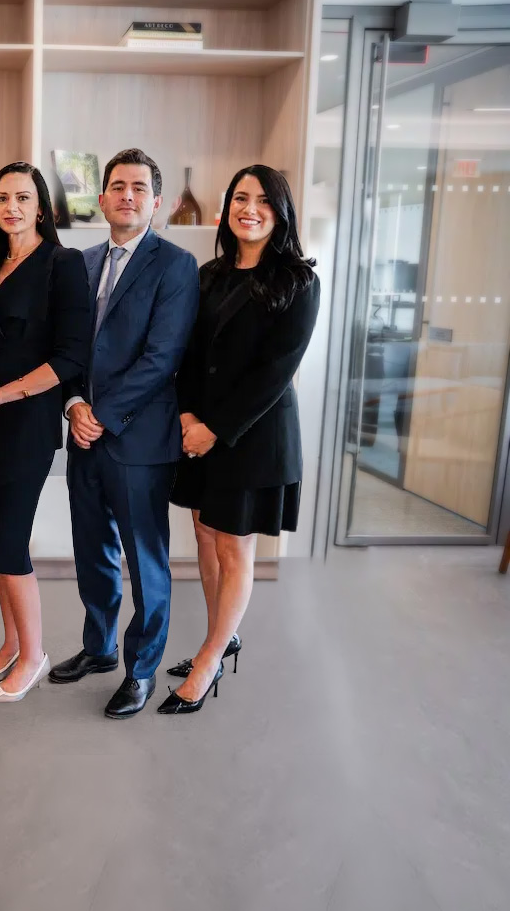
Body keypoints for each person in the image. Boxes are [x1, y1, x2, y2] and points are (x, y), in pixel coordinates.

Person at [161, 164, 320, 714]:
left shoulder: (298, 280)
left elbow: (275, 373)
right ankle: (220, 638)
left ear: (280, 213)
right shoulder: (209, 274)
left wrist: (214, 430)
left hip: (252, 438)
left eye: (262, 201)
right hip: (198, 430)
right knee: (205, 533)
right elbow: (186, 354)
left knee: (233, 545)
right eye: (239, 198)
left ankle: (208, 661)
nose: (248, 209)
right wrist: (185, 416)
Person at [51, 148, 200, 719]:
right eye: (117, 186)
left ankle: (141, 670)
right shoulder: (82, 263)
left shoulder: (174, 265)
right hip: (84, 432)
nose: (127, 195)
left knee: (146, 563)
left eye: (139, 187)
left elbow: (162, 358)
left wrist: (102, 415)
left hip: (136, 439)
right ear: (103, 197)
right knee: (93, 552)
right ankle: (100, 648)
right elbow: (65, 350)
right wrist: (73, 404)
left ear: (155, 201)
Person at [0, 162, 89, 703]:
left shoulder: (62, 264)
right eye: (1, 199)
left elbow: (68, 358)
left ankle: (34, 656)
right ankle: (13, 642)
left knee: (11, 540)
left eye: (22, 197)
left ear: (42, 206)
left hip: (26, 421)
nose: (11, 207)